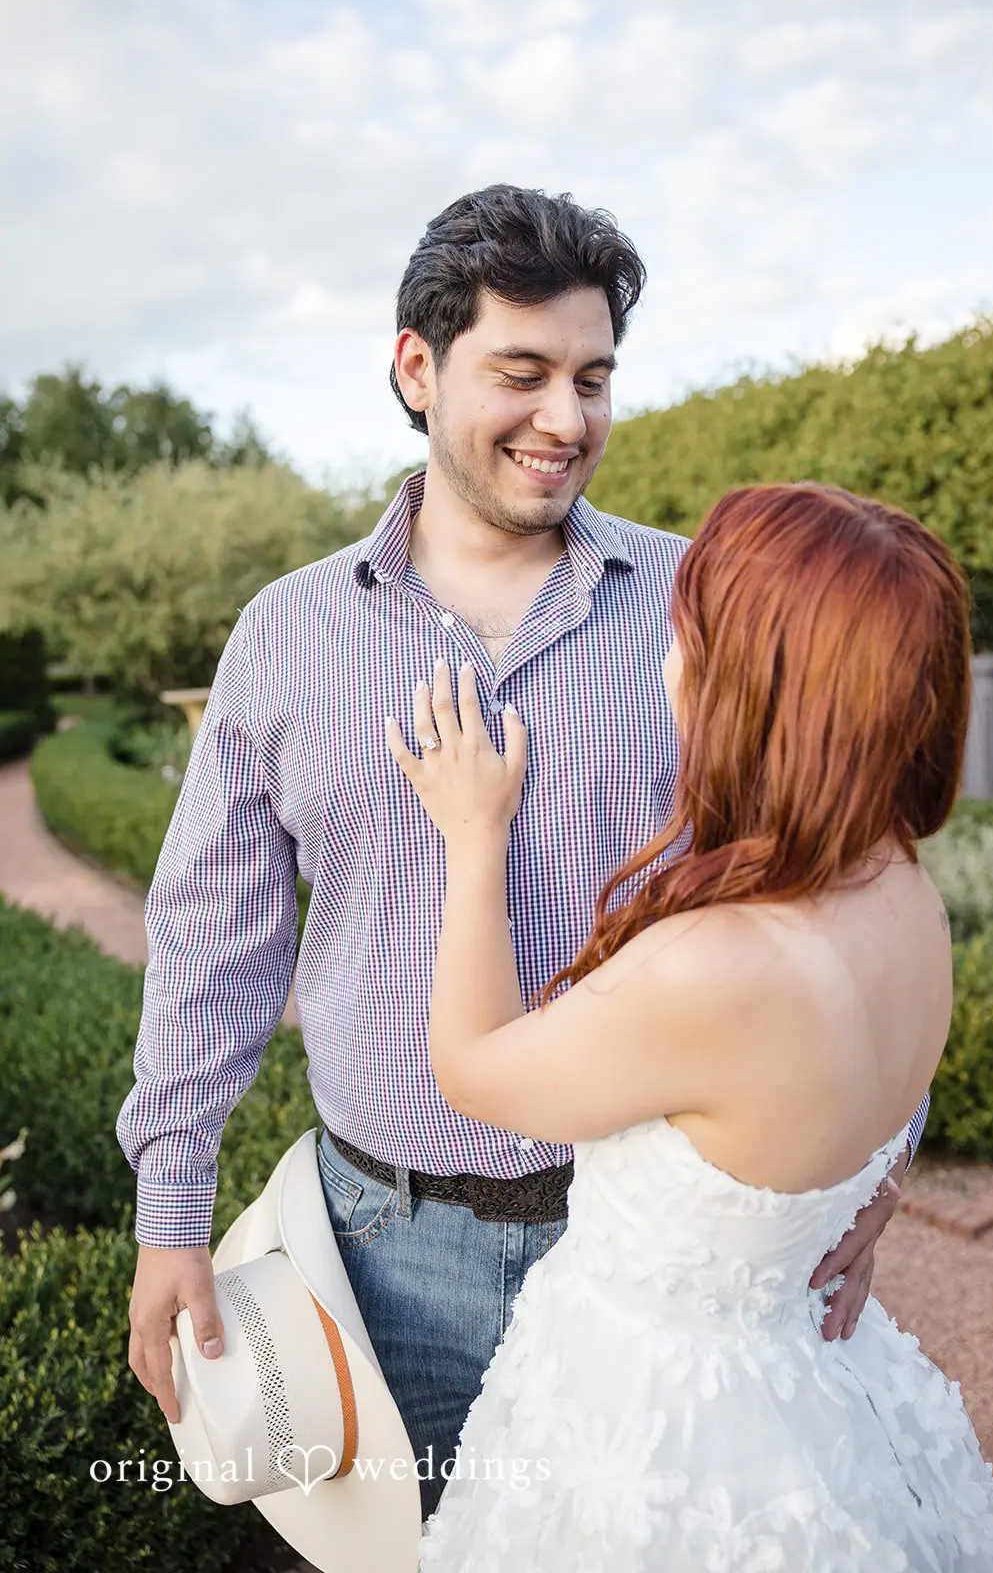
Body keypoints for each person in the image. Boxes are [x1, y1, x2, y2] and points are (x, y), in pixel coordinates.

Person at [117, 186, 926, 1523]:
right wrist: (170, 1212)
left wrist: (874, 1161)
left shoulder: (699, 611)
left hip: (650, 1257)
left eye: (594, 377)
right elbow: (213, 939)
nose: (567, 419)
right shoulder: (287, 636)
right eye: (524, 372)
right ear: (415, 367)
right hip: (383, 1248)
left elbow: (846, 882)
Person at [400, 481, 993, 1571]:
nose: (668, 661)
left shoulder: (718, 966)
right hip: (806, 1379)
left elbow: (474, 1069)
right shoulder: (901, 889)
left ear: (752, 686)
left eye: (689, 635)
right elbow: (880, 1107)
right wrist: (870, 1190)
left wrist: (471, 834)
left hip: (659, 1427)